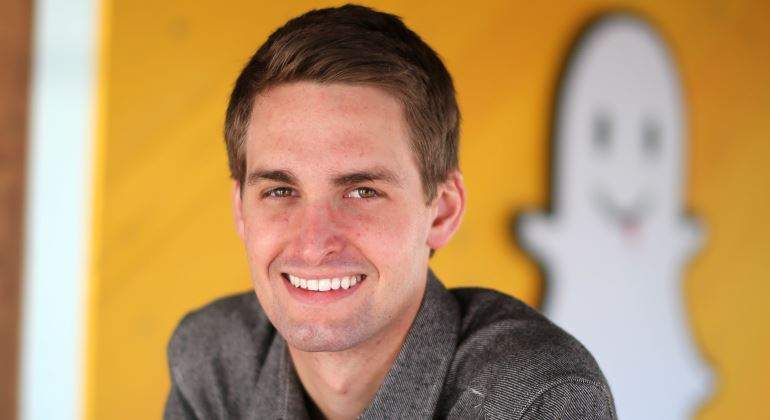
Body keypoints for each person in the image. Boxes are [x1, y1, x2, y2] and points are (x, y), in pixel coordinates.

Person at [164, 4, 615, 419]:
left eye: (363, 192)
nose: (314, 244)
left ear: (442, 212)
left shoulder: (536, 397)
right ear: (241, 210)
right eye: (280, 190)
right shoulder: (210, 361)